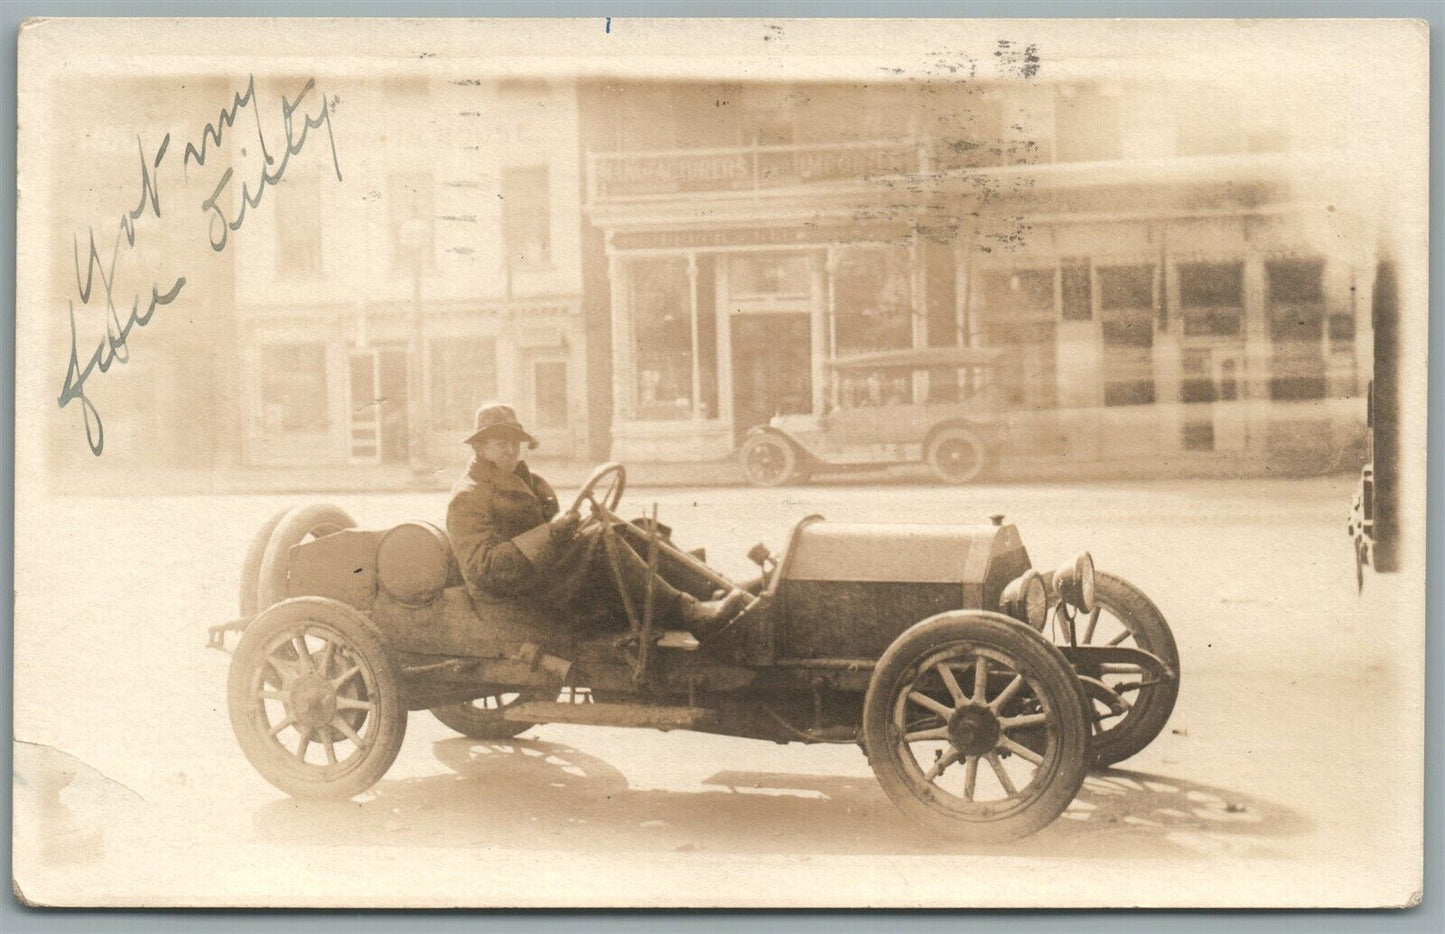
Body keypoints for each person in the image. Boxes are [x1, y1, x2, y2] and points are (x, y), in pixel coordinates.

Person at [446, 402, 748, 640]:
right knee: (602, 540)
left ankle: (715, 589)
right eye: (502, 443)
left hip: (544, 577)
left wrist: (565, 528)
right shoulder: (469, 496)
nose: (512, 450)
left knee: (637, 528)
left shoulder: (527, 479)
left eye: (515, 443)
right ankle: (690, 613)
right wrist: (552, 532)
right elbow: (483, 569)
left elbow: (550, 536)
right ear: (479, 448)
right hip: (519, 596)